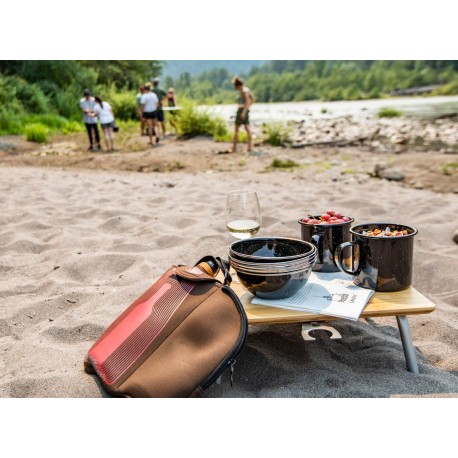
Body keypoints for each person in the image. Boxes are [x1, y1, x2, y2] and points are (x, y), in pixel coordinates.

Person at [230, 76, 255, 153]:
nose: (235, 88)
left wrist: (243, 111)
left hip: (241, 110)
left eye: (235, 86)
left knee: (236, 130)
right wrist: (247, 109)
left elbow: (247, 101)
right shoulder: (246, 90)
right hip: (245, 110)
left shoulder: (244, 91)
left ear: (238, 85)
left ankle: (234, 148)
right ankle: (250, 147)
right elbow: (253, 99)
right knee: (247, 128)